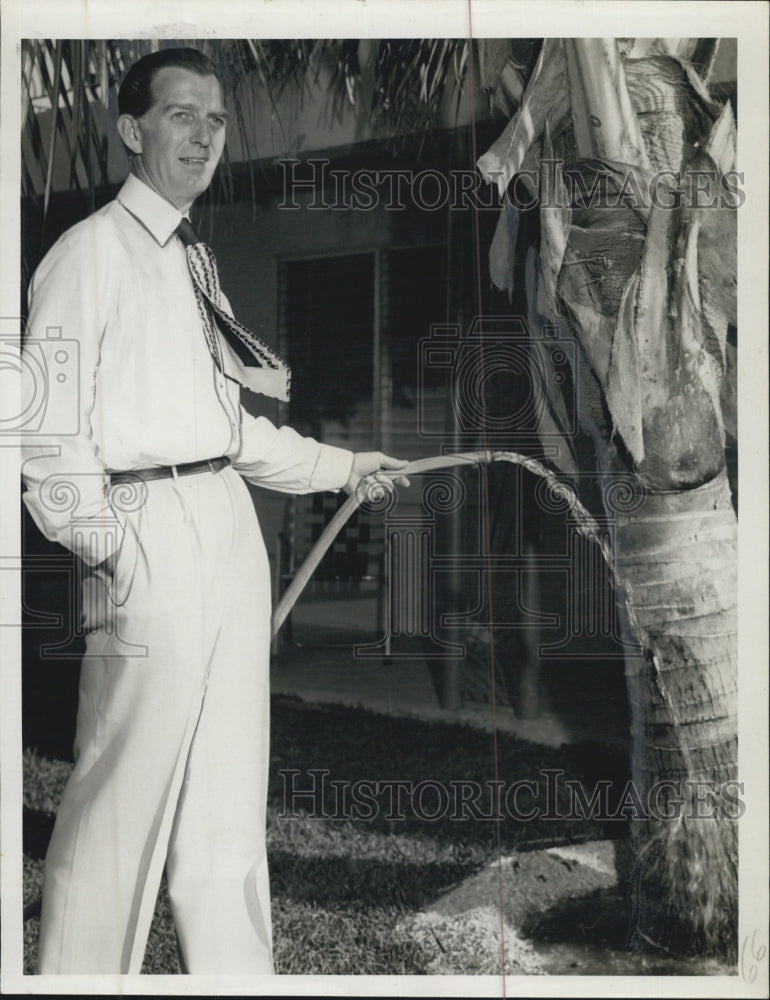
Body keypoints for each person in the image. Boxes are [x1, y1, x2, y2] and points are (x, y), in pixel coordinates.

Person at [21, 47, 408, 975]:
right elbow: (43, 440)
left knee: (228, 799)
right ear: (131, 132)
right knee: (120, 796)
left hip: (226, 523)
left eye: (218, 119)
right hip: (146, 531)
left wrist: (346, 464)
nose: (205, 134)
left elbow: (229, 429)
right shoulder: (87, 256)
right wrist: (115, 554)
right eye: (182, 114)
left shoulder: (195, 261)